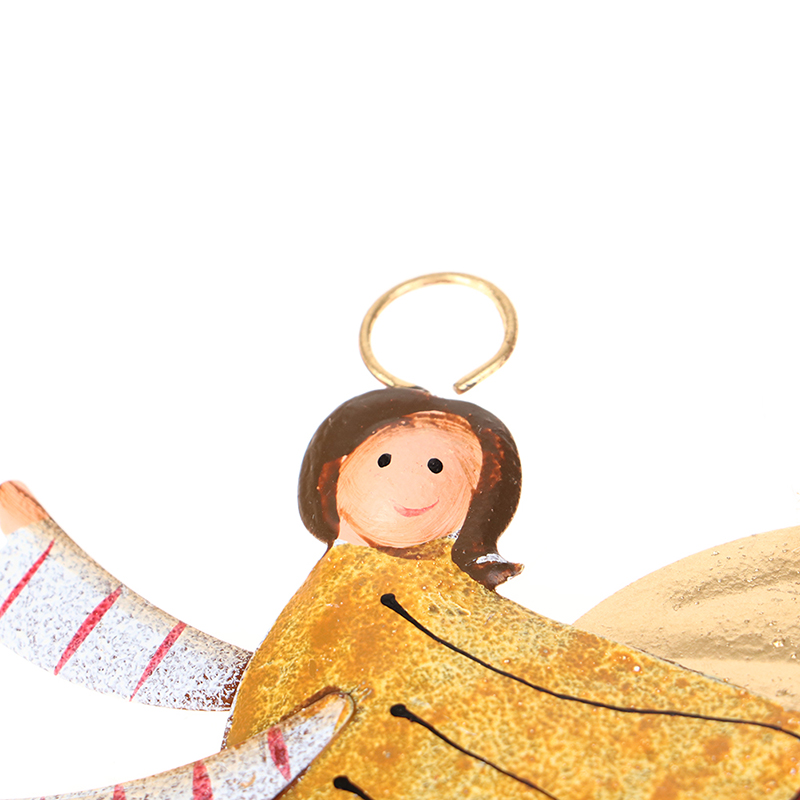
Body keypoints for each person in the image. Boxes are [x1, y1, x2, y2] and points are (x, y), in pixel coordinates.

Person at [225, 387, 800, 800]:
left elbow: (567, 674)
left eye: (438, 466)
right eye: (385, 459)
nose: (412, 483)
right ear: (334, 475)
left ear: (477, 492)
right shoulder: (326, 606)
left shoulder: (450, 594)